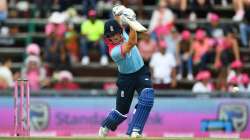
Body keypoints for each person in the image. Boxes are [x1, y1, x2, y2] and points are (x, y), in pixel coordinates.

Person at [99, 6, 154, 138]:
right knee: (121, 112)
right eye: (111, 36)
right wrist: (132, 22)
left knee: (147, 97)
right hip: (126, 79)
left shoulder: (120, 31)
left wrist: (118, 11)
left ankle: (135, 131)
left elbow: (117, 18)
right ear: (108, 38)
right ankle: (106, 125)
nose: (115, 38)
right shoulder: (114, 52)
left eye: (116, 34)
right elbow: (133, 41)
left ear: (120, 31)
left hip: (141, 72)